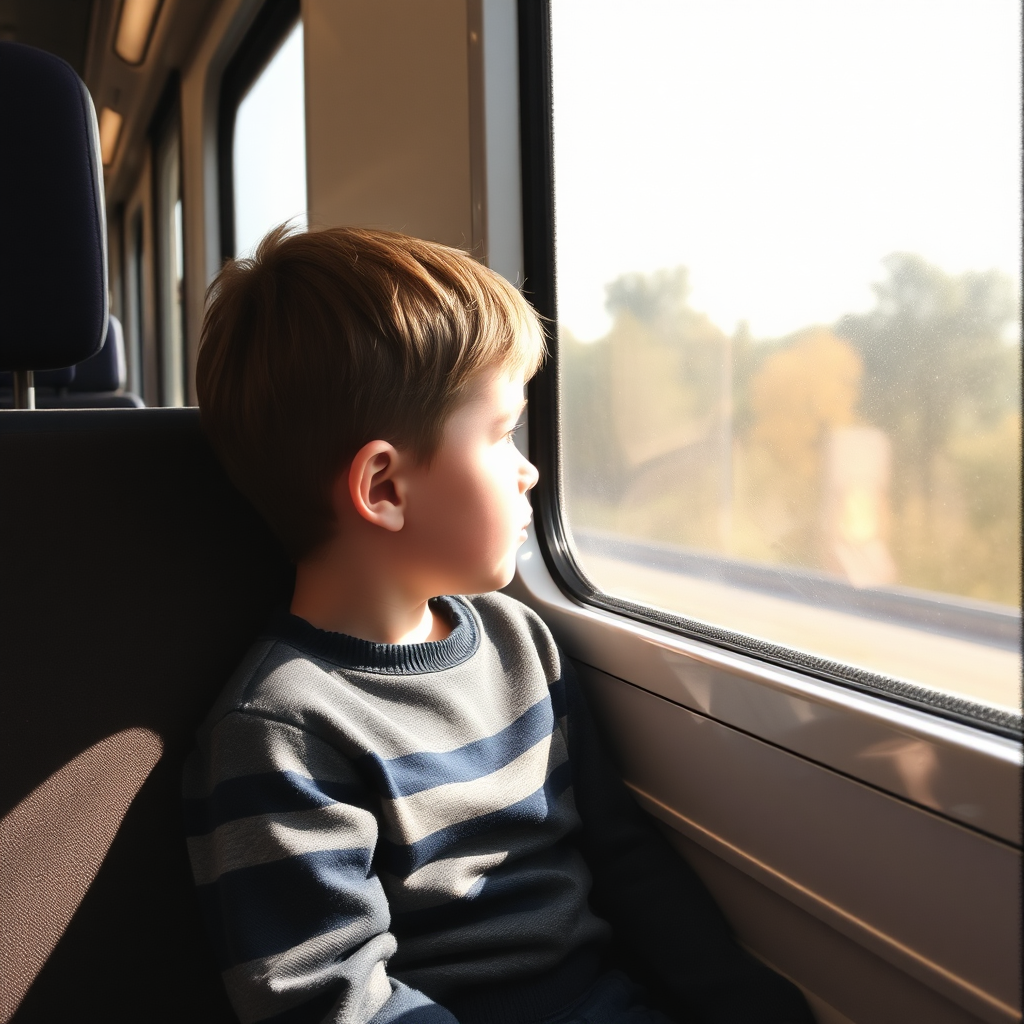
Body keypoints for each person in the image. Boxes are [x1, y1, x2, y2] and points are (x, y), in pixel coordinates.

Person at [182, 226, 814, 1024]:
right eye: (499, 433)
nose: (530, 468)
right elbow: (330, 995)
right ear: (384, 487)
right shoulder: (281, 731)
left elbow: (623, 860)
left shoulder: (522, 645)